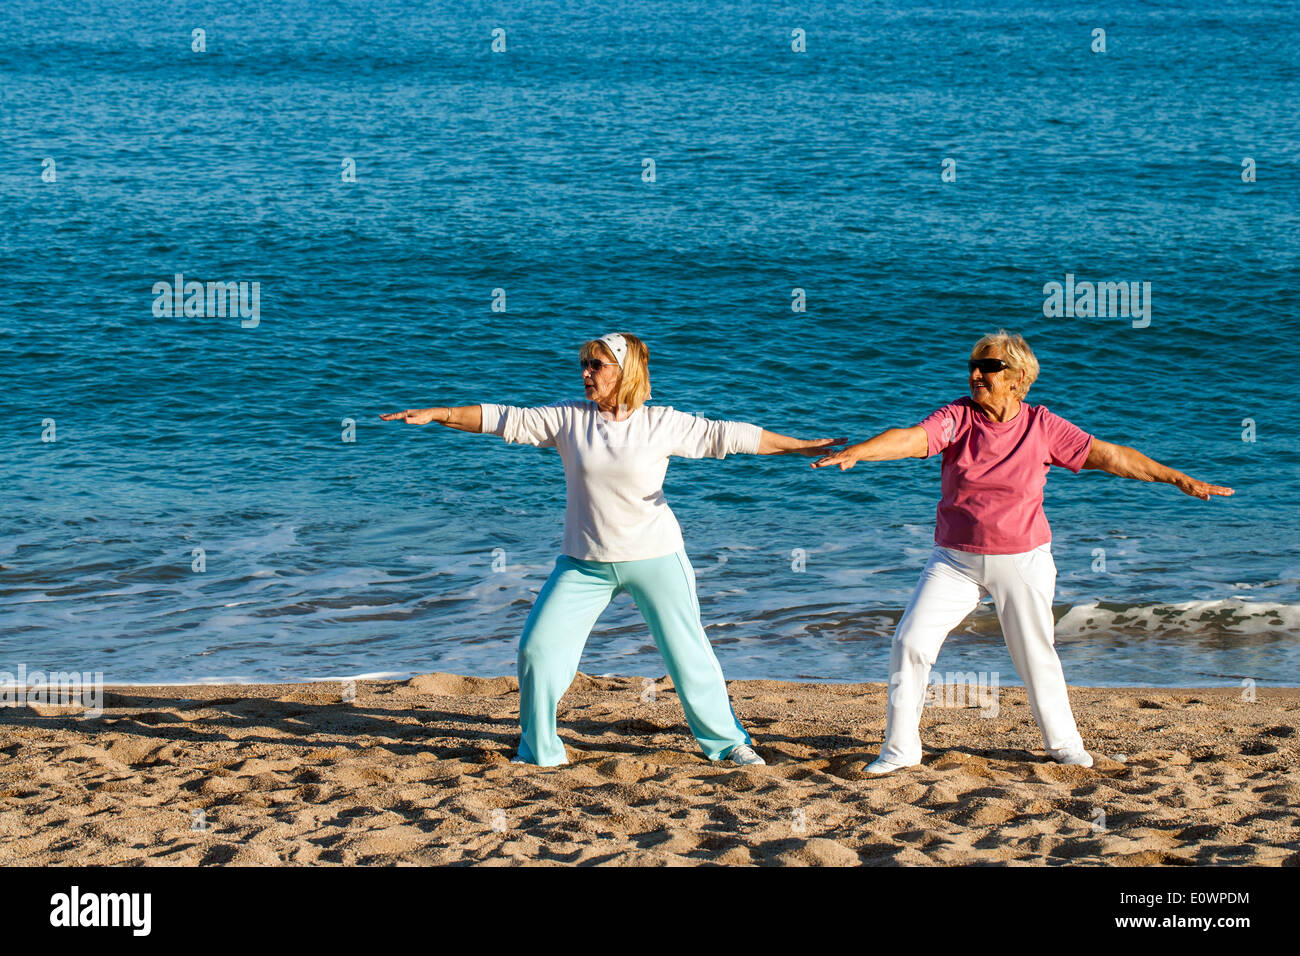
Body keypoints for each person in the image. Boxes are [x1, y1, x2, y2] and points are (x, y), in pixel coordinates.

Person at [383, 332, 844, 767]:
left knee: (688, 656)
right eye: (583, 364)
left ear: (624, 371)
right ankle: (540, 751)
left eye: (596, 364)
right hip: (584, 564)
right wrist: (440, 413)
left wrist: (801, 446)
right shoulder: (568, 419)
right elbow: (503, 418)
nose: (585, 371)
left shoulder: (662, 423)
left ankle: (727, 744)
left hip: (656, 559)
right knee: (537, 651)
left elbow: (733, 436)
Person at [812, 330, 1233, 774]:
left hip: (1023, 560)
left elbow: (1111, 456)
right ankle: (900, 751)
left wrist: (1177, 478)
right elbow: (913, 438)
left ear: (1017, 378)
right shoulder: (958, 417)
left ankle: (1064, 745)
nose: (977, 374)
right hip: (954, 561)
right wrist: (861, 452)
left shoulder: (1042, 426)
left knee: (1035, 653)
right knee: (910, 640)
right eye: (974, 366)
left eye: (989, 367)